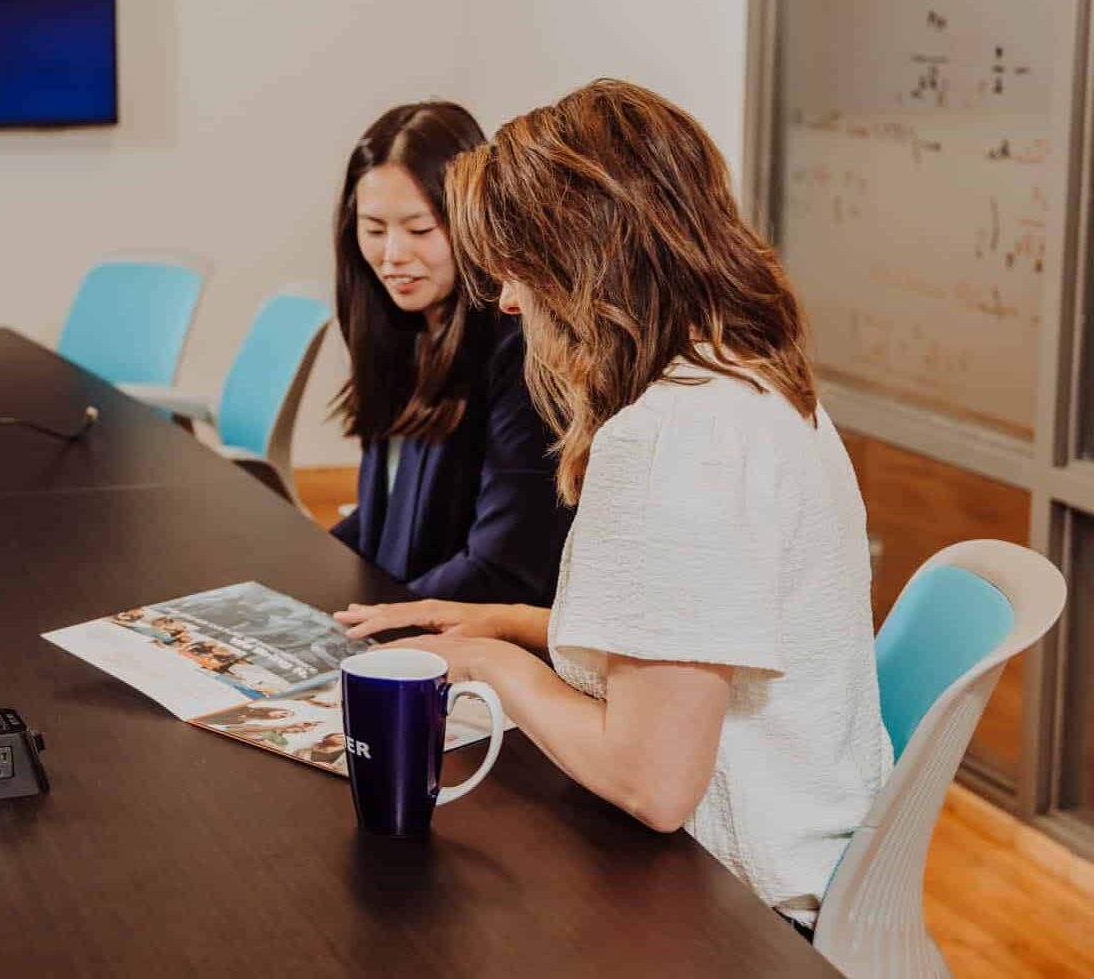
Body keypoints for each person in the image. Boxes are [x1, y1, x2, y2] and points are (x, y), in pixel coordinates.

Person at [336, 80, 891, 934]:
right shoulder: (749, 377)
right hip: (804, 856)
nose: (510, 302)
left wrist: (495, 668)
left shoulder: (673, 439)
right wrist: (515, 622)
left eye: (518, 270)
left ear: (586, 259)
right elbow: (700, 636)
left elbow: (655, 783)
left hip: (733, 912)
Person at [326, 102, 573, 606]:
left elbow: (502, 569)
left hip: (471, 646)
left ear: (471, 222)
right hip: (413, 616)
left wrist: (370, 624)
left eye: (419, 230)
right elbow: (381, 521)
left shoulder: (522, 350)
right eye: (374, 230)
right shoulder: (402, 330)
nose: (393, 256)